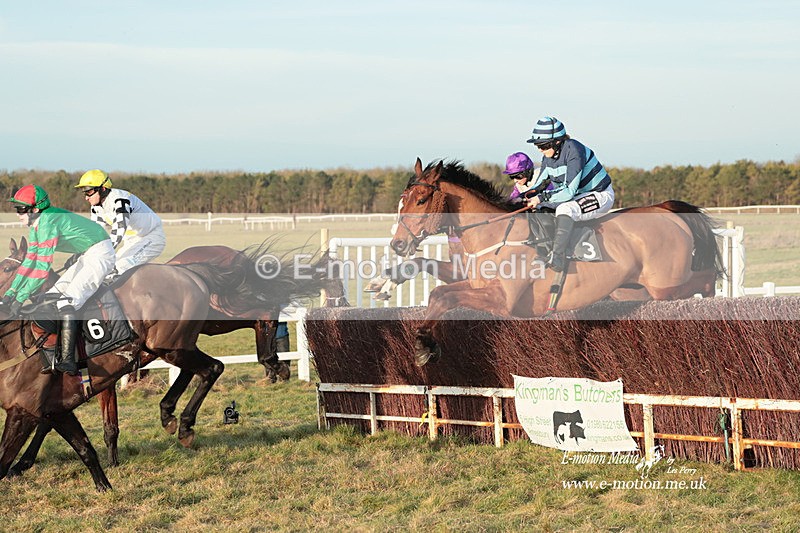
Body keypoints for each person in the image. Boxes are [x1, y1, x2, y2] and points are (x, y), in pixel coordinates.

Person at [0, 185, 115, 374]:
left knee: (66, 301)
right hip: (86, 253)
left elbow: (42, 269)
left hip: (100, 253)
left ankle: (69, 360)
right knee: (51, 296)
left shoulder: (47, 223)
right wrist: (12, 294)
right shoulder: (36, 225)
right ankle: (54, 352)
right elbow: (29, 263)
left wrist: (20, 298)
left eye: (21, 210)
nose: (18, 214)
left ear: (35, 209)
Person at [525, 116, 615, 272]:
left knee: (564, 209)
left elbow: (568, 192)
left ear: (557, 141)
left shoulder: (574, 150)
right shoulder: (548, 156)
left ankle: (558, 257)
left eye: (543, 145)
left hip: (600, 195)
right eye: (537, 145)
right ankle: (544, 250)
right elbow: (540, 185)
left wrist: (540, 198)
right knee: (540, 210)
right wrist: (525, 197)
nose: (540, 149)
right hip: (579, 196)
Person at [75, 169, 166, 277]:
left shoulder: (120, 200)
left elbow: (119, 230)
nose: (86, 197)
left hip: (151, 238)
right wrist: (82, 252)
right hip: (131, 242)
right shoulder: (96, 207)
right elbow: (97, 234)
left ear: (103, 189)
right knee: (106, 267)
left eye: (89, 192)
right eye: (84, 193)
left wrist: (99, 252)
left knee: (118, 269)